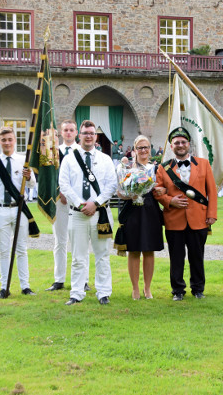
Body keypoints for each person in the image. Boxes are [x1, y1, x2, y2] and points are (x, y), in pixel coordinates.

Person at [154, 127, 217, 301]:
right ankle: (178, 291)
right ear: (171, 146)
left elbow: (211, 190)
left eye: (183, 142)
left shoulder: (203, 164)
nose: (180, 145)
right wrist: (169, 201)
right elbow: (157, 192)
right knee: (176, 257)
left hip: (199, 218)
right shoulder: (163, 167)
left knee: (197, 256)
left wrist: (212, 214)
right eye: (176, 143)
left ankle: (198, 289)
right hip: (174, 218)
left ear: (189, 144)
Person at [59, 120, 117, 305]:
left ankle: (103, 292)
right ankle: (76, 292)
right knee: (78, 256)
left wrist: (96, 203)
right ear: (80, 135)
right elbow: (64, 185)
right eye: (85, 133)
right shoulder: (69, 158)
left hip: (101, 213)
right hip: (77, 214)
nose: (89, 136)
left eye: (92, 133)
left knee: (102, 255)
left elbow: (111, 186)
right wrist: (80, 203)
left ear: (96, 136)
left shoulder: (105, 159)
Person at [0, 127, 37, 299]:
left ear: (14, 140)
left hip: (18, 209)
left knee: (21, 249)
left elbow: (31, 186)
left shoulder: (23, 161)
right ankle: (3, 287)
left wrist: (29, 177)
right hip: (0, 209)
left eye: (10, 139)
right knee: (4, 250)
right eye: (4, 140)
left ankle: (25, 286)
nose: (7, 143)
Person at [115, 135, 164, 300]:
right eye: (140, 147)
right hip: (132, 209)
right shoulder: (126, 169)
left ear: (150, 149)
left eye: (146, 147)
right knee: (134, 249)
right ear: (134, 150)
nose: (143, 150)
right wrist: (132, 195)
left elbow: (162, 189)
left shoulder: (155, 169)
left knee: (149, 249)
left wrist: (160, 191)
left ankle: (147, 288)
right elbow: (120, 192)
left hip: (150, 209)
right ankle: (135, 288)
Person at [46, 119, 91, 292]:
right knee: (60, 241)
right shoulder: (54, 153)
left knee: (81, 242)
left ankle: (84, 280)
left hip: (78, 202)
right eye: (66, 130)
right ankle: (59, 279)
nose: (69, 133)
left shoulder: (83, 153)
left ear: (76, 133)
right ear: (61, 133)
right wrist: (59, 192)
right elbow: (51, 177)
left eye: (72, 130)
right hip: (60, 202)